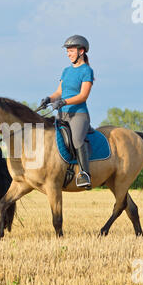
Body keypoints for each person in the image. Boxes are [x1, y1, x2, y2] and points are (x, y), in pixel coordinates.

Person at [39, 35, 94, 189]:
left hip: (78, 115)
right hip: (62, 114)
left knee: (76, 140)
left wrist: (64, 101)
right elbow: (59, 92)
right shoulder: (66, 71)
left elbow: (83, 95)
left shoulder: (86, 71)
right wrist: (49, 99)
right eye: (67, 51)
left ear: (81, 51)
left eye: (71, 51)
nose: (68, 54)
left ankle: (84, 174)